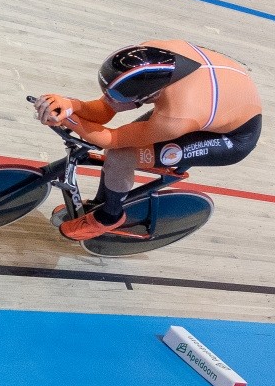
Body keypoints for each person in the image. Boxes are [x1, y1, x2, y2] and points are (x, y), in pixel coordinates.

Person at [34, 39, 262, 241]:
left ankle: (110, 216)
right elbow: (105, 109)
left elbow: (112, 140)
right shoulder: (151, 53)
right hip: (217, 102)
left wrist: (69, 120)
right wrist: (69, 105)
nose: (111, 100)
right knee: (123, 150)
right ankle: (101, 201)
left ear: (151, 95)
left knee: (121, 156)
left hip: (233, 137)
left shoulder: (175, 116)